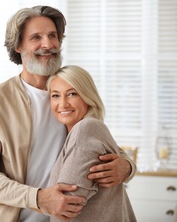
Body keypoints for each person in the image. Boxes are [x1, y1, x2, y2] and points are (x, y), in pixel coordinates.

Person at [0, 5, 136, 221]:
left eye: (52, 36)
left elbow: (97, 141)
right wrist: (38, 198)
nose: (47, 44)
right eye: (36, 37)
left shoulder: (69, 93)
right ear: (18, 45)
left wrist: (127, 167)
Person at [46, 65, 137, 221]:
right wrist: (129, 166)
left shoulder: (85, 128)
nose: (63, 104)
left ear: (87, 97)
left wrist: (14, 200)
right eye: (55, 96)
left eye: (72, 94)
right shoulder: (78, 132)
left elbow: (65, 203)